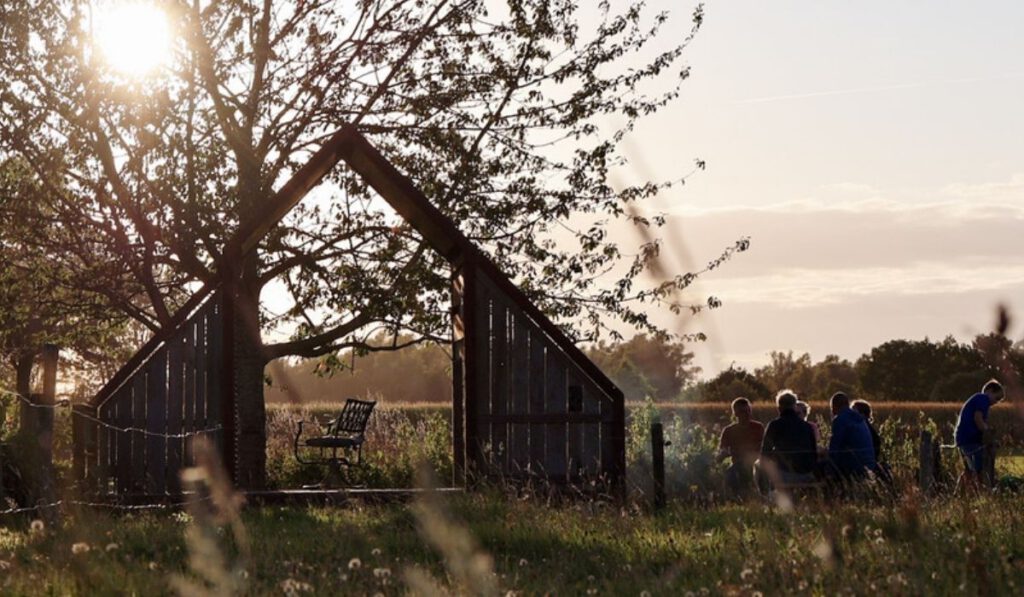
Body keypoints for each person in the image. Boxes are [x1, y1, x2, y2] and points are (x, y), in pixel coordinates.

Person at [758, 390, 818, 488]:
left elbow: (765, 451)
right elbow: (813, 452)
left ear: (779, 408)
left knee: (757, 464)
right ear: (794, 406)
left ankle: (765, 496)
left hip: (784, 473)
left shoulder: (775, 425)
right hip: (806, 473)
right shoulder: (807, 426)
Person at [954, 379, 1005, 491]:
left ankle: (958, 493)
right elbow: (978, 418)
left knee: (969, 469)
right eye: (997, 398)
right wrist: (987, 431)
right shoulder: (983, 399)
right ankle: (982, 492)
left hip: (962, 439)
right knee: (979, 469)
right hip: (970, 440)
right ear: (990, 391)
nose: (996, 402)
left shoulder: (978, 399)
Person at [717, 397, 764, 496]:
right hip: (738, 464)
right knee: (732, 474)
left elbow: (763, 447)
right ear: (736, 414)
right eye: (743, 411)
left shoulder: (758, 427)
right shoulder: (729, 431)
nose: (747, 414)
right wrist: (723, 454)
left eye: (748, 410)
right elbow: (723, 450)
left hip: (756, 463)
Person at [827, 392, 876, 480]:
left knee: (822, 468)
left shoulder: (840, 420)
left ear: (834, 407)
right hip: (869, 465)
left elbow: (834, 448)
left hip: (854, 467)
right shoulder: (859, 419)